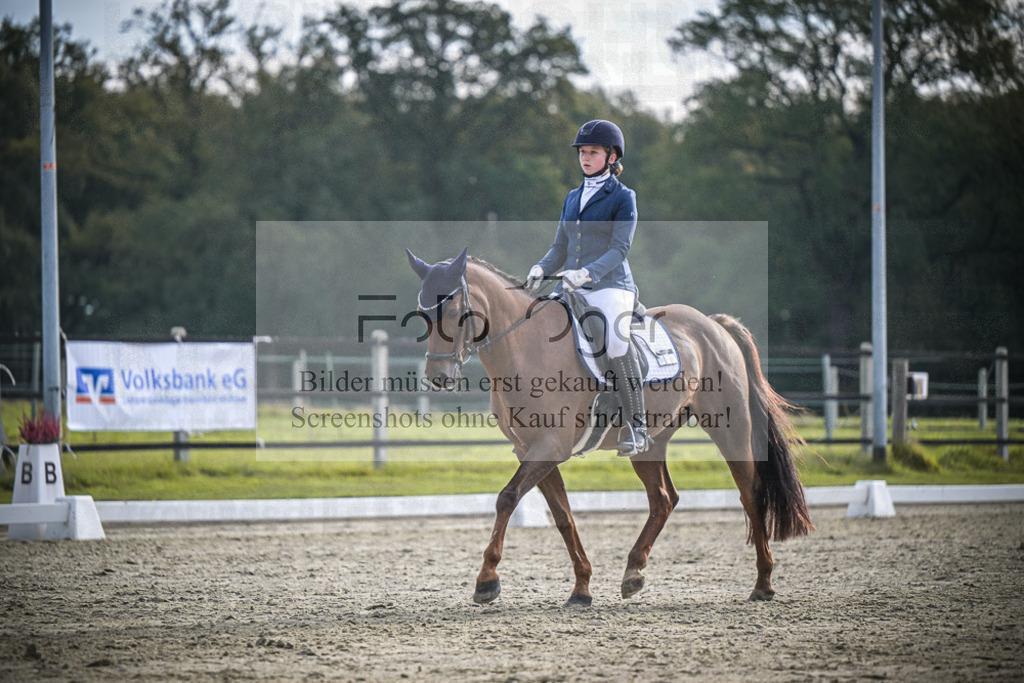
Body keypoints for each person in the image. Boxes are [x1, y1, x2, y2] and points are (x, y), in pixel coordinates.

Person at [524, 119, 652, 456]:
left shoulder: (624, 197)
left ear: (611, 157)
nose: (585, 157)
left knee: (614, 340)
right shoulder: (573, 197)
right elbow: (560, 248)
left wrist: (586, 274)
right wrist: (541, 267)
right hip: (573, 285)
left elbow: (619, 249)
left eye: (593, 152)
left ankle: (638, 427)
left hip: (611, 285)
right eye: (582, 151)